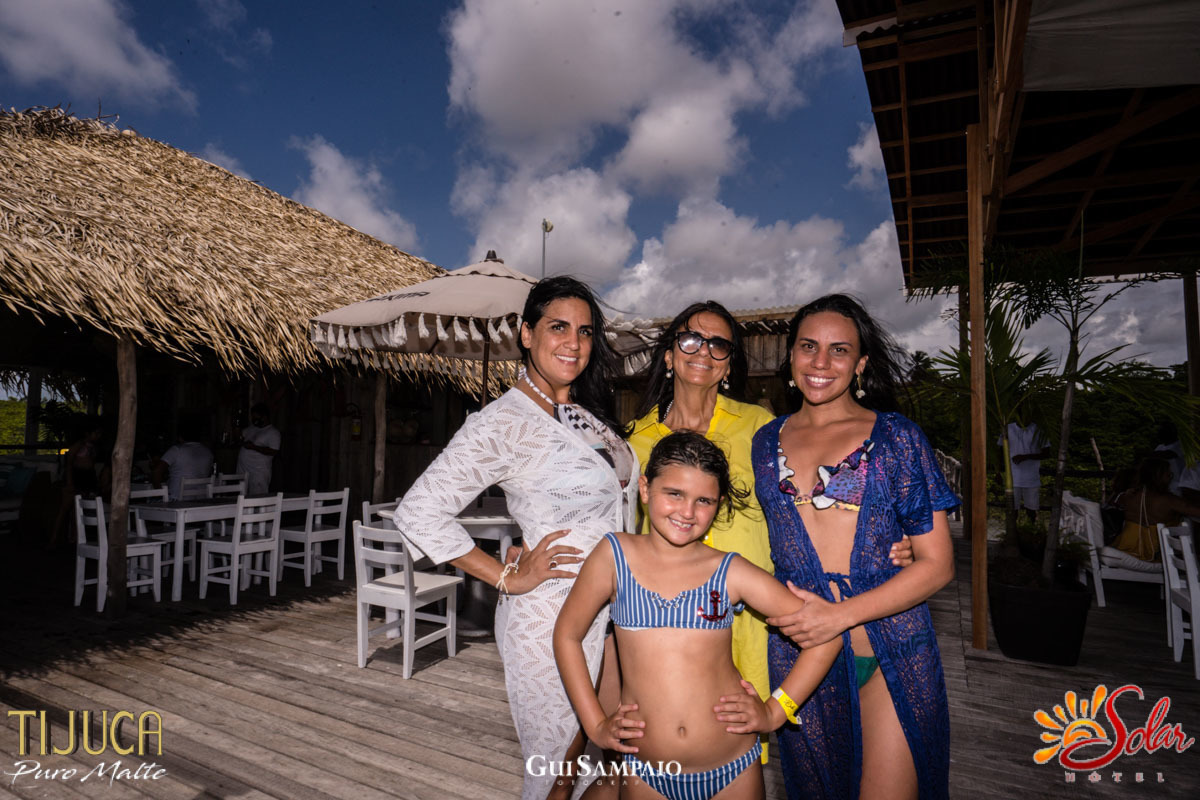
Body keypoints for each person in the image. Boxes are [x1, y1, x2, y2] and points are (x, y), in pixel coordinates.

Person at [626, 301, 914, 762]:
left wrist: (895, 537)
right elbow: (621, 531)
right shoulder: (633, 440)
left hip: (757, 623)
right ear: (668, 354)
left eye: (719, 344)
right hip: (669, 622)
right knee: (664, 744)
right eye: (690, 339)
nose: (703, 351)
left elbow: (814, 502)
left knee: (743, 740)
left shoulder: (761, 429)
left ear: (729, 364)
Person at [394, 276, 638, 800]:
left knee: (603, 767)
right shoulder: (504, 422)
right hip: (551, 617)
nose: (574, 342)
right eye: (558, 327)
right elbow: (418, 511)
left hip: (613, 615)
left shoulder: (583, 415)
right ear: (526, 334)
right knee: (556, 773)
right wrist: (506, 576)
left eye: (585, 331)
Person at [555, 432, 842, 800]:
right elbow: (567, 635)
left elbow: (827, 638)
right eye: (674, 494)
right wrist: (595, 725)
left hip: (733, 769)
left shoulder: (731, 571)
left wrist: (775, 712)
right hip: (645, 772)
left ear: (719, 505)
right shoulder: (614, 556)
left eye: (703, 500)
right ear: (645, 489)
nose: (687, 512)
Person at [752, 294, 957, 800]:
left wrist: (839, 616)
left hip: (890, 652)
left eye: (839, 350)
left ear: (861, 363)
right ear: (791, 356)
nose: (821, 362)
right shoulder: (764, 441)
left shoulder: (897, 438)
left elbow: (937, 565)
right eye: (808, 346)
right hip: (800, 660)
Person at [1112, 456, 1200, 562]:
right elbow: (1196, 512)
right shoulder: (1169, 500)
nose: (1171, 476)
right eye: (1168, 473)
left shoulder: (1128, 496)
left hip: (1124, 547)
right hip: (1155, 553)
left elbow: (1114, 502)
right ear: (1158, 476)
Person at [153, 418, 214, 501]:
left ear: (180, 437)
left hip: (175, 500)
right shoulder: (208, 452)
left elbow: (156, 472)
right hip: (201, 500)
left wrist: (160, 494)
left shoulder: (176, 450)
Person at [1005, 414, 1048, 524]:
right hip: (1012, 477)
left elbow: (1046, 453)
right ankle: (1012, 532)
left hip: (1031, 478)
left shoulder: (1037, 430)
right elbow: (1000, 450)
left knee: (1031, 510)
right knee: (1012, 510)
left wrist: (1026, 457)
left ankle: (1030, 530)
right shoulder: (1008, 428)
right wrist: (997, 471)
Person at [236, 403, 280, 495]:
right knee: (241, 498)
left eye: (256, 417)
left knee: (257, 499)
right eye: (252, 417)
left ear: (264, 417)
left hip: (258, 473)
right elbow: (240, 437)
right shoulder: (252, 428)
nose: (254, 420)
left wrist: (254, 447)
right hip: (243, 471)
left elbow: (274, 451)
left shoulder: (273, 432)